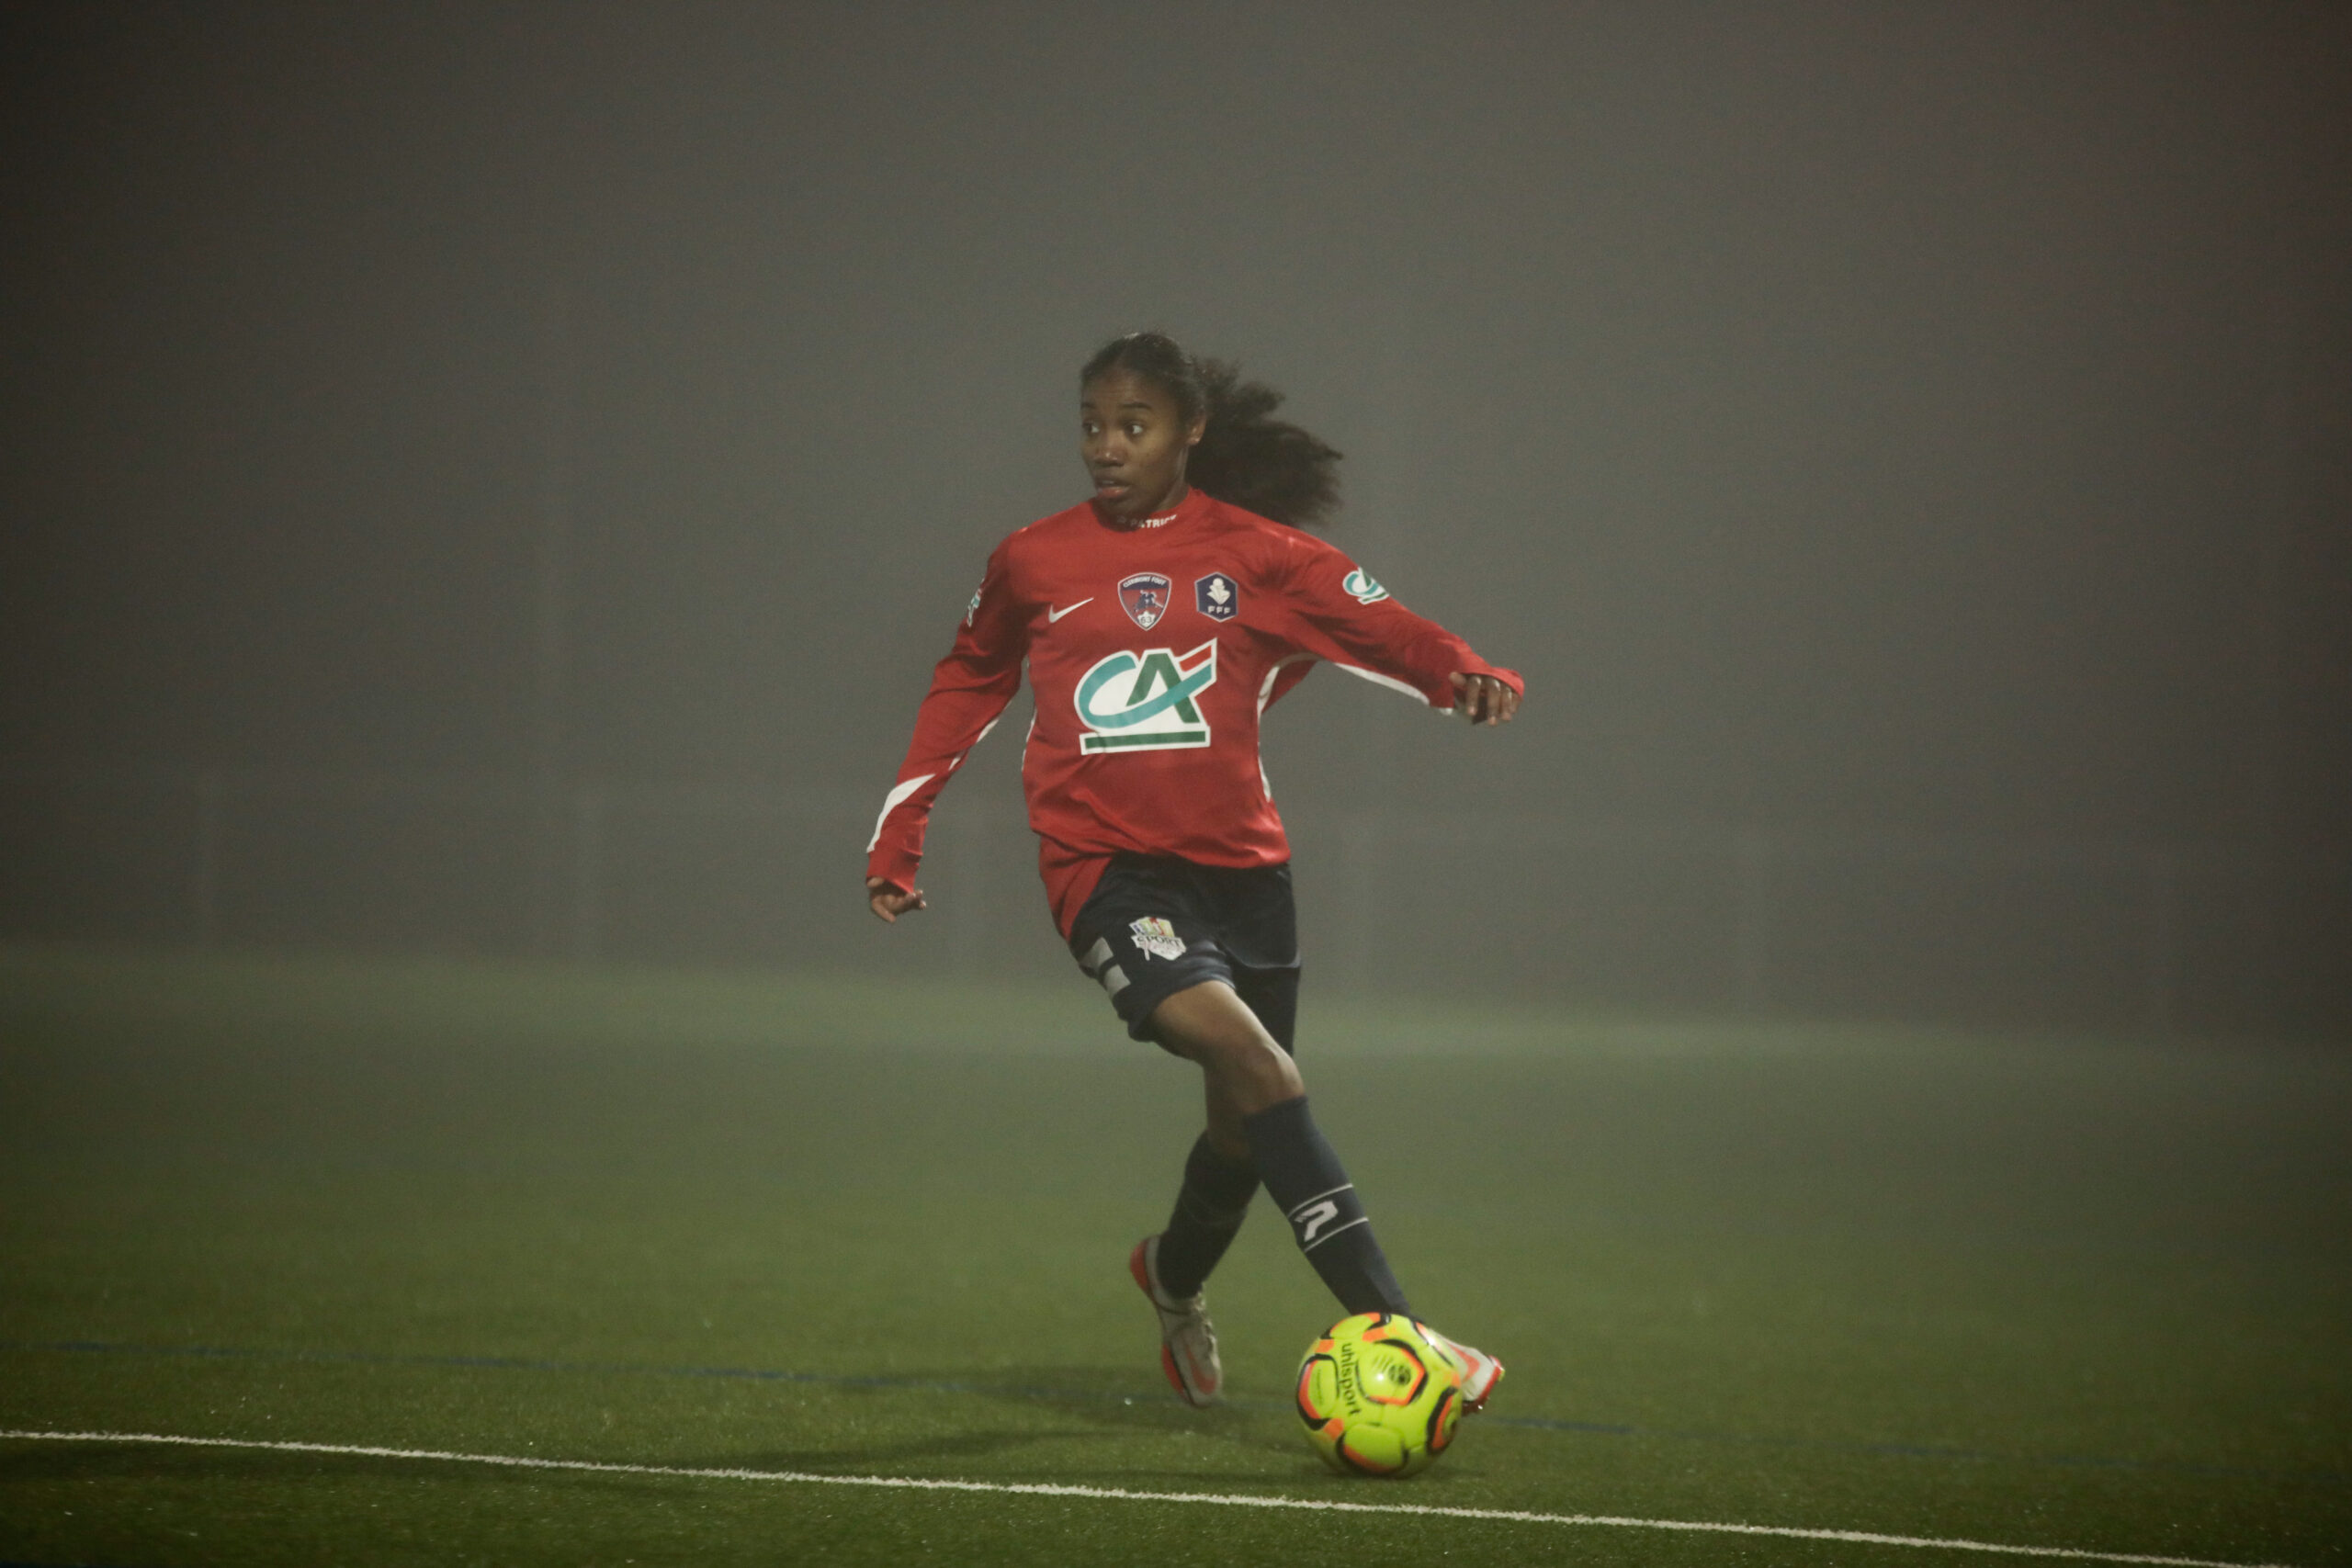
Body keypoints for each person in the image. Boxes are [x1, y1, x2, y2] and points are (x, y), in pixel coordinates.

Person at [865, 332, 1522, 1412]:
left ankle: (1170, 1276)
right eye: (1092, 425)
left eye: (1134, 426)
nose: (1106, 448)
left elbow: (1381, 625)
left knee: (1243, 1128)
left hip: (1245, 876)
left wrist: (1464, 671)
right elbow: (964, 682)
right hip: (1109, 877)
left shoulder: (1256, 556)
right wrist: (900, 832)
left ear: (1190, 432)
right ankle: (1398, 1332)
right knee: (1263, 1073)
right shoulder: (1033, 560)